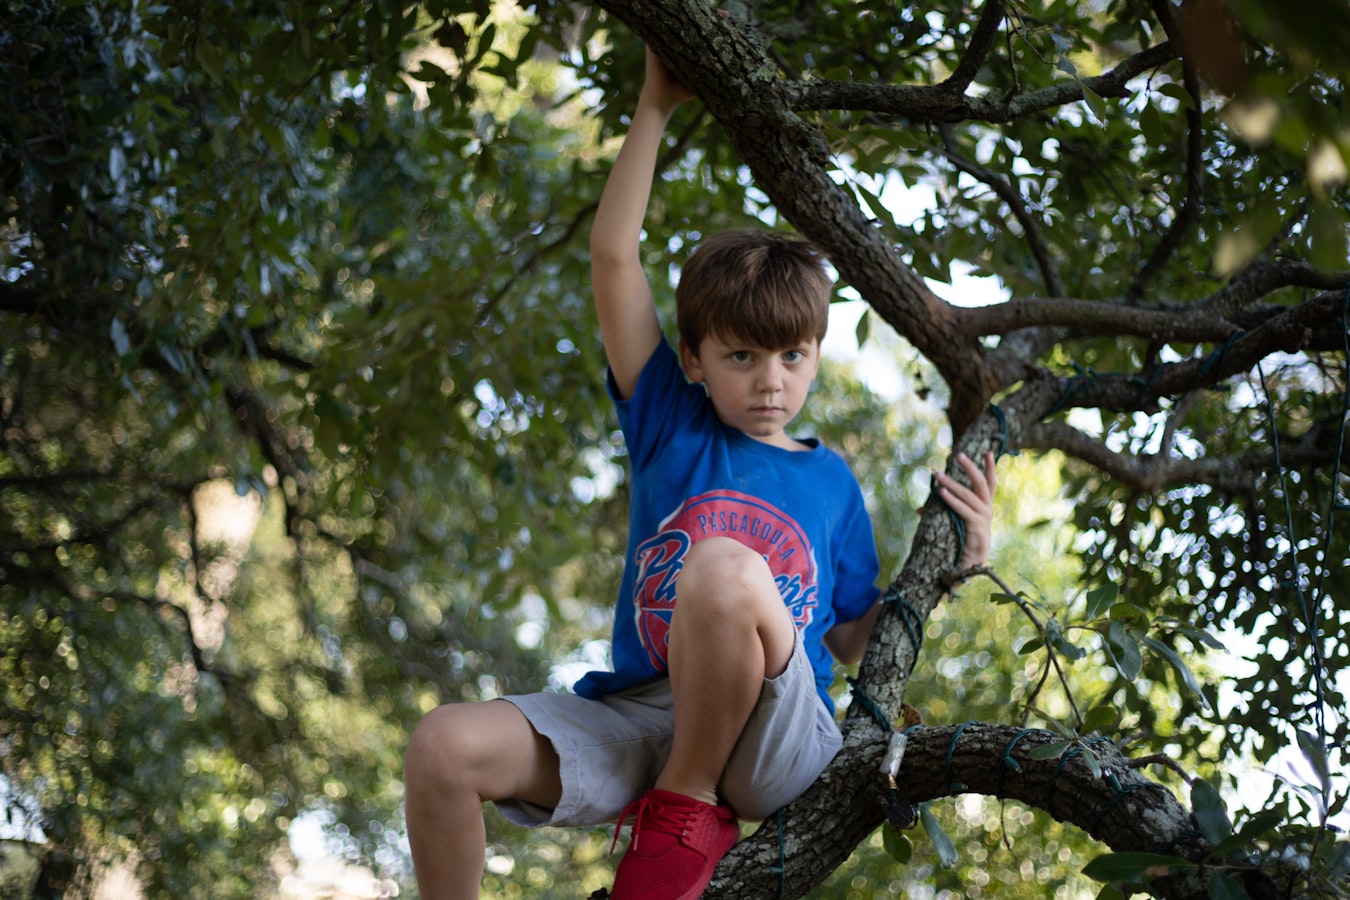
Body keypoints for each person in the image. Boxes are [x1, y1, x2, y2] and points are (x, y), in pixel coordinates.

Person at [403, 46, 997, 900]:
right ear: (693, 358)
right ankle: (667, 801)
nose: (770, 380)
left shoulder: (831, 484)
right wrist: (654, 106)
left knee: (721, 566)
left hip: (771, 738)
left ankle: (687, 811)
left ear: (816, 355)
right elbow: (614, 257)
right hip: (639, 716)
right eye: (743, 355)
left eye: (794, 355)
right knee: (441, 748)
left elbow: (855, 637)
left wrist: (961, 565)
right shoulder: (667, 423)